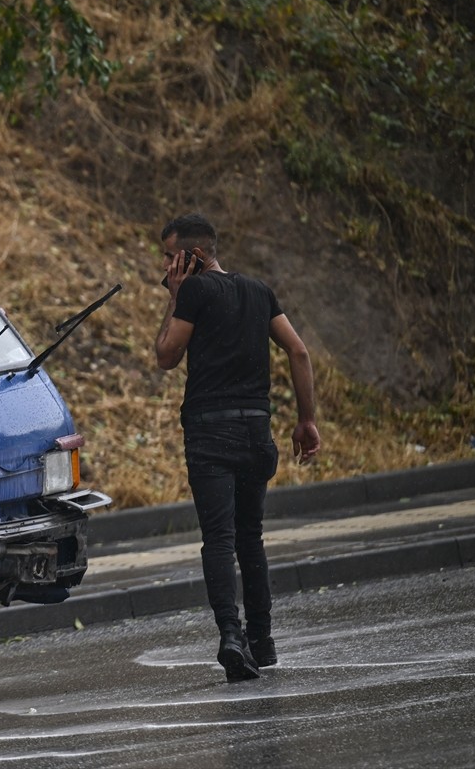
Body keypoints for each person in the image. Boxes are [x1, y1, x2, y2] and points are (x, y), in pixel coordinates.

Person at [153, 213, 321, 682]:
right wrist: (306, 421)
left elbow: (166, 355)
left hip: (211, 436)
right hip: (256, 434)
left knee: (220, 540)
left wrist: (175, 297)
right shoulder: (259, 290)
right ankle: (262, 642)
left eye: (170, 256)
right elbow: (299, 351)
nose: (164, 264)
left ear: (194, 257)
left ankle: (231, 635)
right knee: (251, 538)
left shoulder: (195, 291)